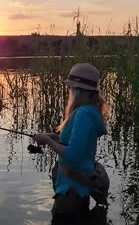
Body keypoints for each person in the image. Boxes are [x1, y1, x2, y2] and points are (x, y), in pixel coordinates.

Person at [33, 63, 109, 217]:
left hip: (71, 191)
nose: (69, 90)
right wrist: (50, 136)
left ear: (80, 91)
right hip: (77, 188)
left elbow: (73, 155)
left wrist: (47, 141)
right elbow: (74, 142)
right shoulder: (88, 112)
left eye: (72, 88)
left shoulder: (83, 115)